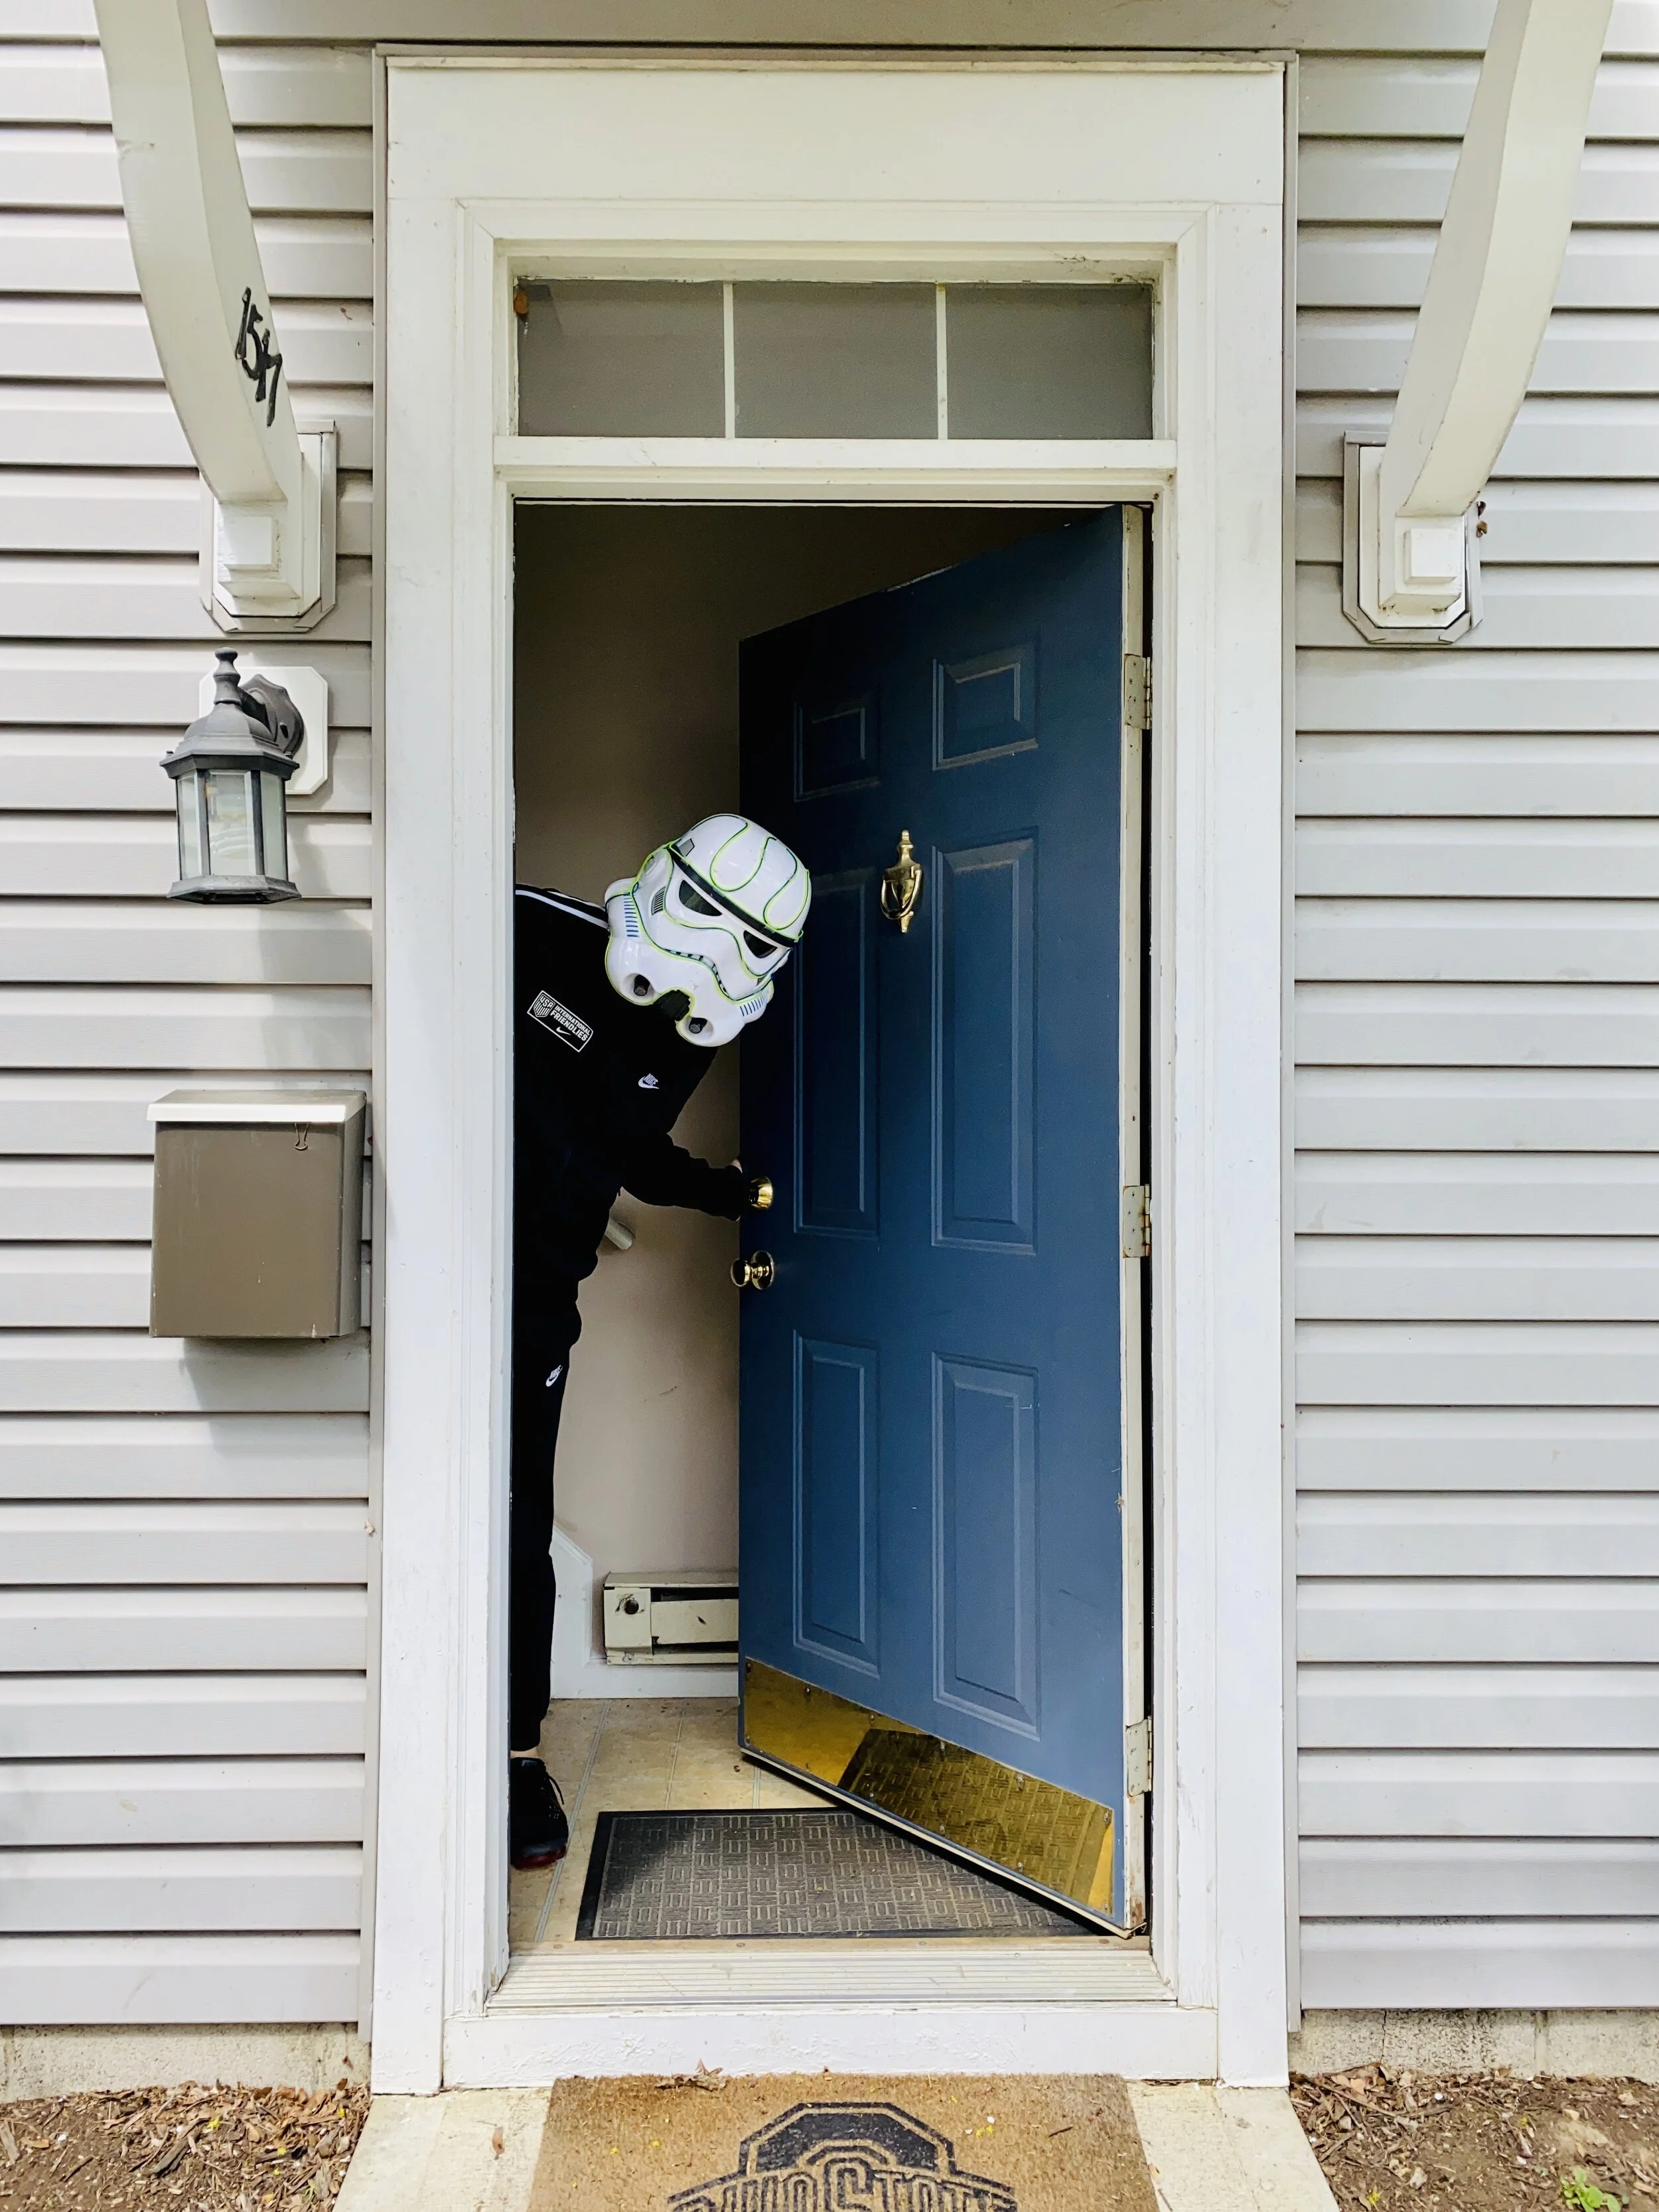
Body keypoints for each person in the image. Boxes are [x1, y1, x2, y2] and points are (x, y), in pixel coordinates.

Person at [510, 814, 811, 1868]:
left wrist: (725, 1192)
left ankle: (516, 1757)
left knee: (518, 1520)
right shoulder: (526, 932)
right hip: (432, 1280)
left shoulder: (694, 1029)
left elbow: (629, 1145)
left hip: (540, 1298)